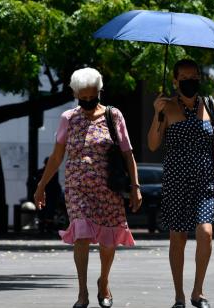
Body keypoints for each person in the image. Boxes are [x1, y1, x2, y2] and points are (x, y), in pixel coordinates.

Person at [34, 67, 142, 308]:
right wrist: (41, 186)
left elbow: (127, 154)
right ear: (75, 94)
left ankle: (103, 282)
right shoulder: (68, 119)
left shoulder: (114, 116)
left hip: (108, 188)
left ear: (99, 91)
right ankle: (82, 293)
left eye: (91, 96)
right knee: (81, 234)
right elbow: (56, 156)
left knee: (108, 241)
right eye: (81, 97)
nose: (87, 101)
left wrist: (135, 186)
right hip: (77, 188)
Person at [147, 59, 214, 308]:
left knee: (206, 233)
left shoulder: (210, 105)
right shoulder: (167, 107)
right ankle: (179, 295)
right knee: (178, 238)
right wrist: (157, 114)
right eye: (184, 77)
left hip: (204, 181)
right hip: (176, 181)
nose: (190, 81)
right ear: (175, 81)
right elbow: (153, 144)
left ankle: (198, 291)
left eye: (194, 76)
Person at [34, 157, 62, 233]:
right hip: (49, 194)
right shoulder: (53, 172)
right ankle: (44, 227)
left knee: (46, 211)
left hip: (49, 194)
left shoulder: (42, 172)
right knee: (46, 211)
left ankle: (44, 227)